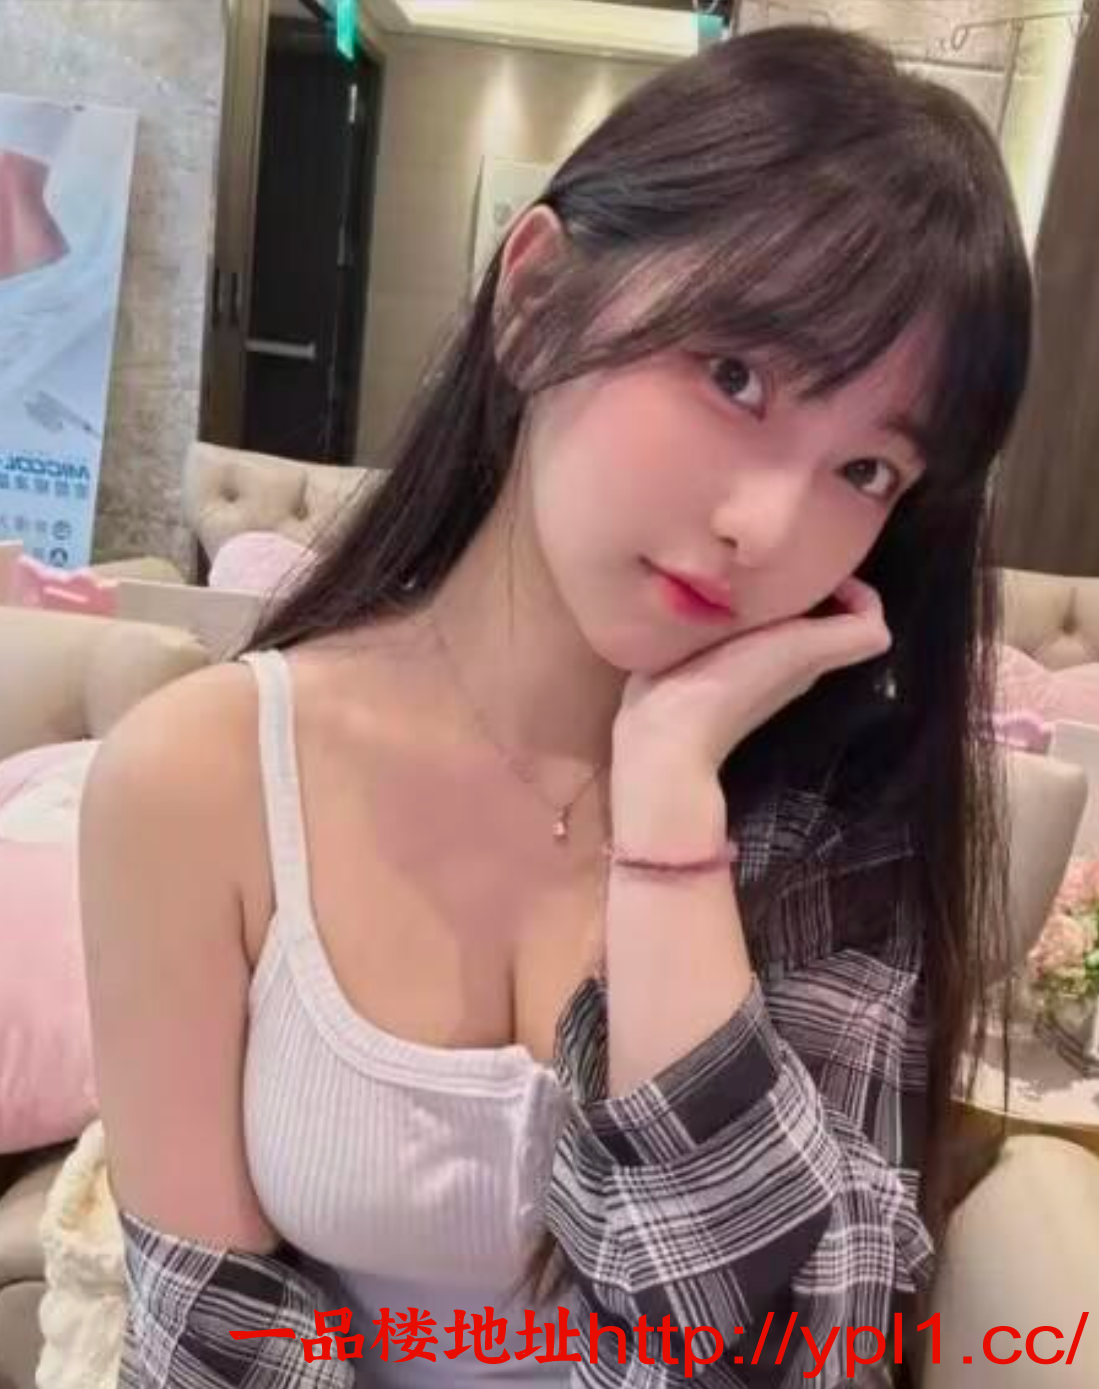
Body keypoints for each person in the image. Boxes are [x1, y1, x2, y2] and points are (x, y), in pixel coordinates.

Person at [80, 23, 1032, 1389]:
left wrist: (671, 822)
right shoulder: (202, 777)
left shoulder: (837, 823)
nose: (767, 525)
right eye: (735, 376)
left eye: (865, 470)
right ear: (534, 300)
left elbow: (796, 1353)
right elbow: (215, 1340)